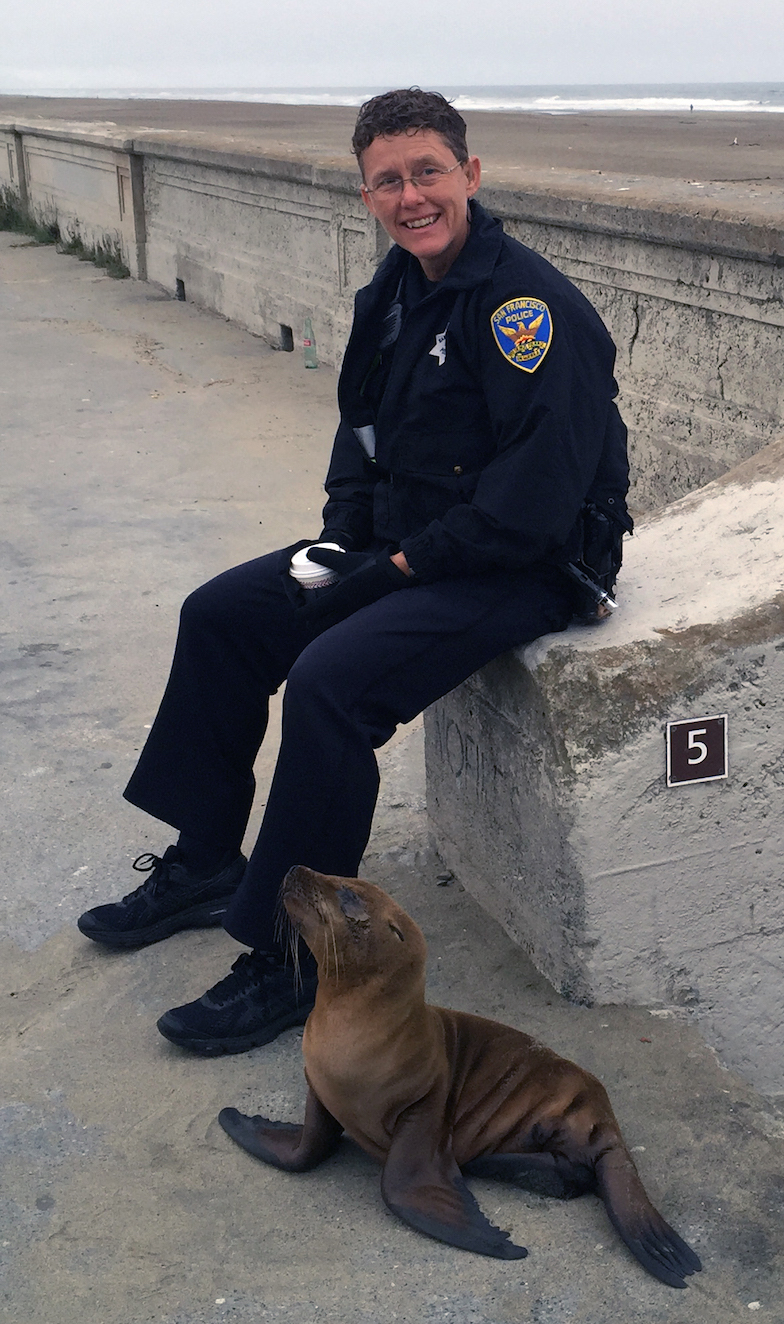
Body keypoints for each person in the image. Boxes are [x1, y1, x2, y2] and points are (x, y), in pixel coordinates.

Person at [77, 88, 631, 1055]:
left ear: (470, 174)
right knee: (224, 614)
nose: (411, 196)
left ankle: (302, 959)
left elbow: (533, 505)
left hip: (526, 566)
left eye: (428, 172)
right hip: (408, 546)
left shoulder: (527, 310)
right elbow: (359, 432)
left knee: (332, 685)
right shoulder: (395, 293)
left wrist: (402, 567)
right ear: (366, 192)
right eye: (388, 181)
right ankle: (207, 860)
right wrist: (342, 542)